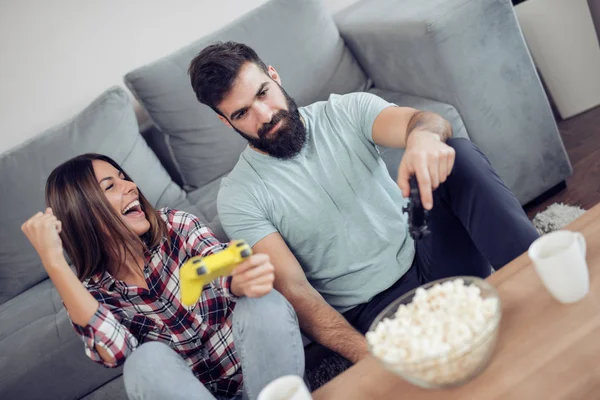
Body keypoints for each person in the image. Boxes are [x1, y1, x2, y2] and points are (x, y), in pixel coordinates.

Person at [188, 42, 540, 364]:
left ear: (274, 77)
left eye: (264, 93)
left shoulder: (345, 110)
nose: (264, 116)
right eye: (242, 113)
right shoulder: (239, 196)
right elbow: (297, 293)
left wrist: (421, 138)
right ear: (225, 122)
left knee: (457, 154)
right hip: (380, 312)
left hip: (433, 255)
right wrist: (373, 361)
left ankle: (539, 276)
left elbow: (425, 121)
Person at [20, 153, 304, 400]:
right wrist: (54, 262)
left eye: (124, 178)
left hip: (260, 385)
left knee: (263, 303)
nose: (131, 186)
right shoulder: (89, 296)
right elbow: (117, 352)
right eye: (111, 186)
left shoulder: (176, 225)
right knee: (142, 361)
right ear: (84, 214)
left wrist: (239, 279)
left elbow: (215, 263)